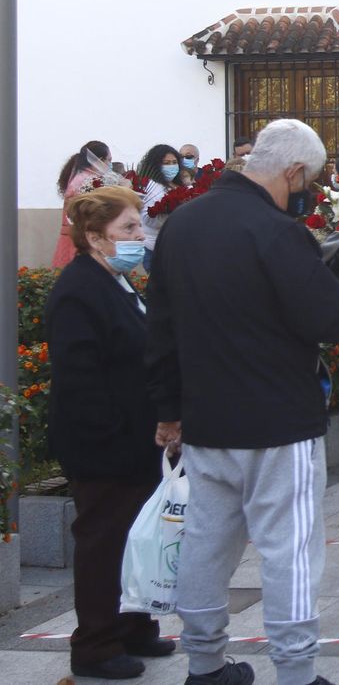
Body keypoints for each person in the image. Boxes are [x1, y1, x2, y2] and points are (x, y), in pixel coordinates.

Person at [146, 119, 339, 685]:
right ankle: (296, 671)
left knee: (206, 544)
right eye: (310, 181)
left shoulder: (183, 225)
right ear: (293, 172)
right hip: (279, 423)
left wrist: (169, 409)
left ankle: (204, 664)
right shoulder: (277, 232)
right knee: (288, 549)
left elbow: (161, 329)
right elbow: (324, 317)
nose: (309, 192)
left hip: (207, 419)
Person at [46, 186, 172, 681]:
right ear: (96, 237)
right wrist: (115, 436)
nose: (139, 236)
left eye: (139, 226)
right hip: (102, 447)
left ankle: (134, 625)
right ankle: (95, 646)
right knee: (104, 544)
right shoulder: (79, 289)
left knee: (136, 541)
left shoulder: (116, 281)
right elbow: (80, 378)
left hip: (135, 444)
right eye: (128, 228)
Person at [52, 140, 111, 267]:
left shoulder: (85, 178)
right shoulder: (88, 181)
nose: (109, 164)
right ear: (100, 160)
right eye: (109, 160)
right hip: (81, 238)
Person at [135, 144, 183, 271]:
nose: (171, 166)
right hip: (152, 247)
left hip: (172, 246)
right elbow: (147, 218)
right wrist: (171, 214)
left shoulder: (179, 185)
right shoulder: (150, 186)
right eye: (166, 163)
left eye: (174, 162)